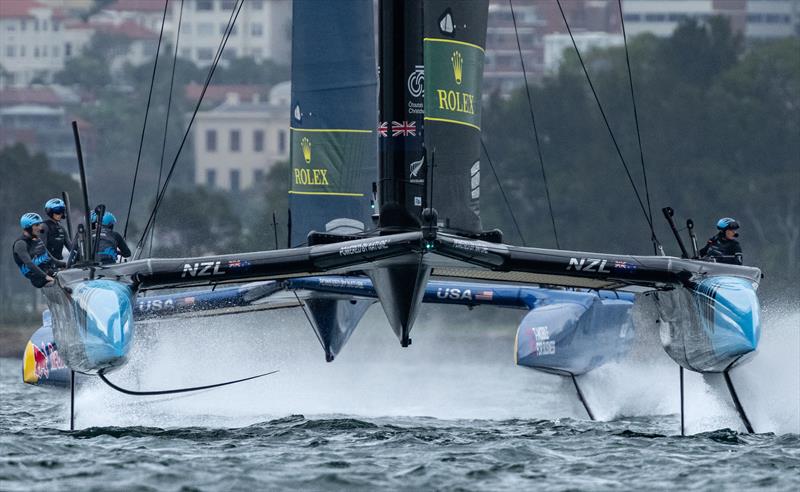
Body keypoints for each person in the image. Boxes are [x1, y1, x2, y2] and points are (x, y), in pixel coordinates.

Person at [12, 213, 65, 288]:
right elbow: (29, 264)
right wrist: (45, 276)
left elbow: (49, 258)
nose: (40, 228)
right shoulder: (20, 244)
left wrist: (65, 264)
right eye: (37, 225)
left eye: (40, 224)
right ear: (28, 227)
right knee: (60, 283)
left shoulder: (37, 240)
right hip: (39, 279)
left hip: (49, 272)